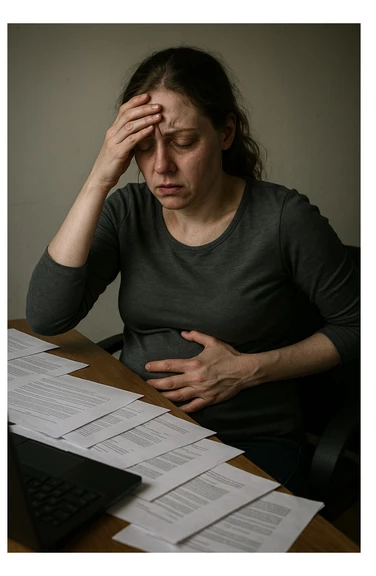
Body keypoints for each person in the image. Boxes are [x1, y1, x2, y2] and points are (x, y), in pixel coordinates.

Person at [26, 46, 360, 494]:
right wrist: (99, 178)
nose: (161, 166)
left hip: (249, 443)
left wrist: (247, 370)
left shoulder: (283, 219)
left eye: (183, 142)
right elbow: (48, 317)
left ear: (225, 132)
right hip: (138, 427)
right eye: (143, 147)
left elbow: (361, 324)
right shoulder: (128, 210)